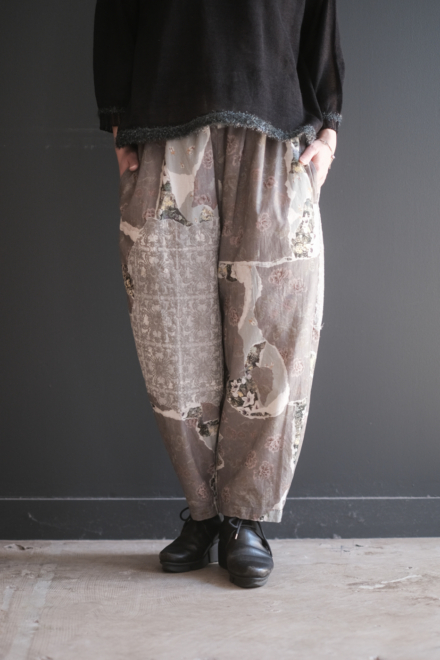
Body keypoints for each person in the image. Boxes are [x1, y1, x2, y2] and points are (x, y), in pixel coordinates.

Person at [93, 0, 344, 589]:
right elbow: (115, 12)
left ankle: (244, 517)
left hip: (275, 129)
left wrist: (329, 128)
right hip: (164, 129)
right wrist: (116, 119)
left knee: (274, 335)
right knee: (172, 340)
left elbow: (320, 14)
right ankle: (206, 511)